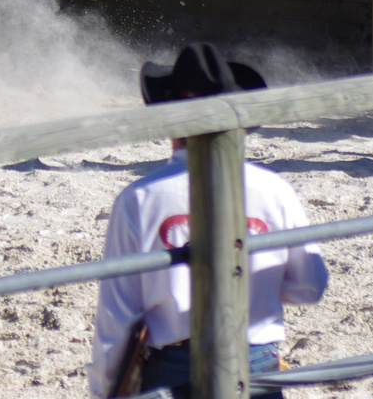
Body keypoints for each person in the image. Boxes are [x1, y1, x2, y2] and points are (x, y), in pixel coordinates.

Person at [88, 43, 327, 399]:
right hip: (256, 358)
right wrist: (259, 282)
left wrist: (104, 388)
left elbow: (117, 316)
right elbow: (310, 285)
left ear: (168, 120)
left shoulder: (138, 199)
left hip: (173, 364)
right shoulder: (275, 189)